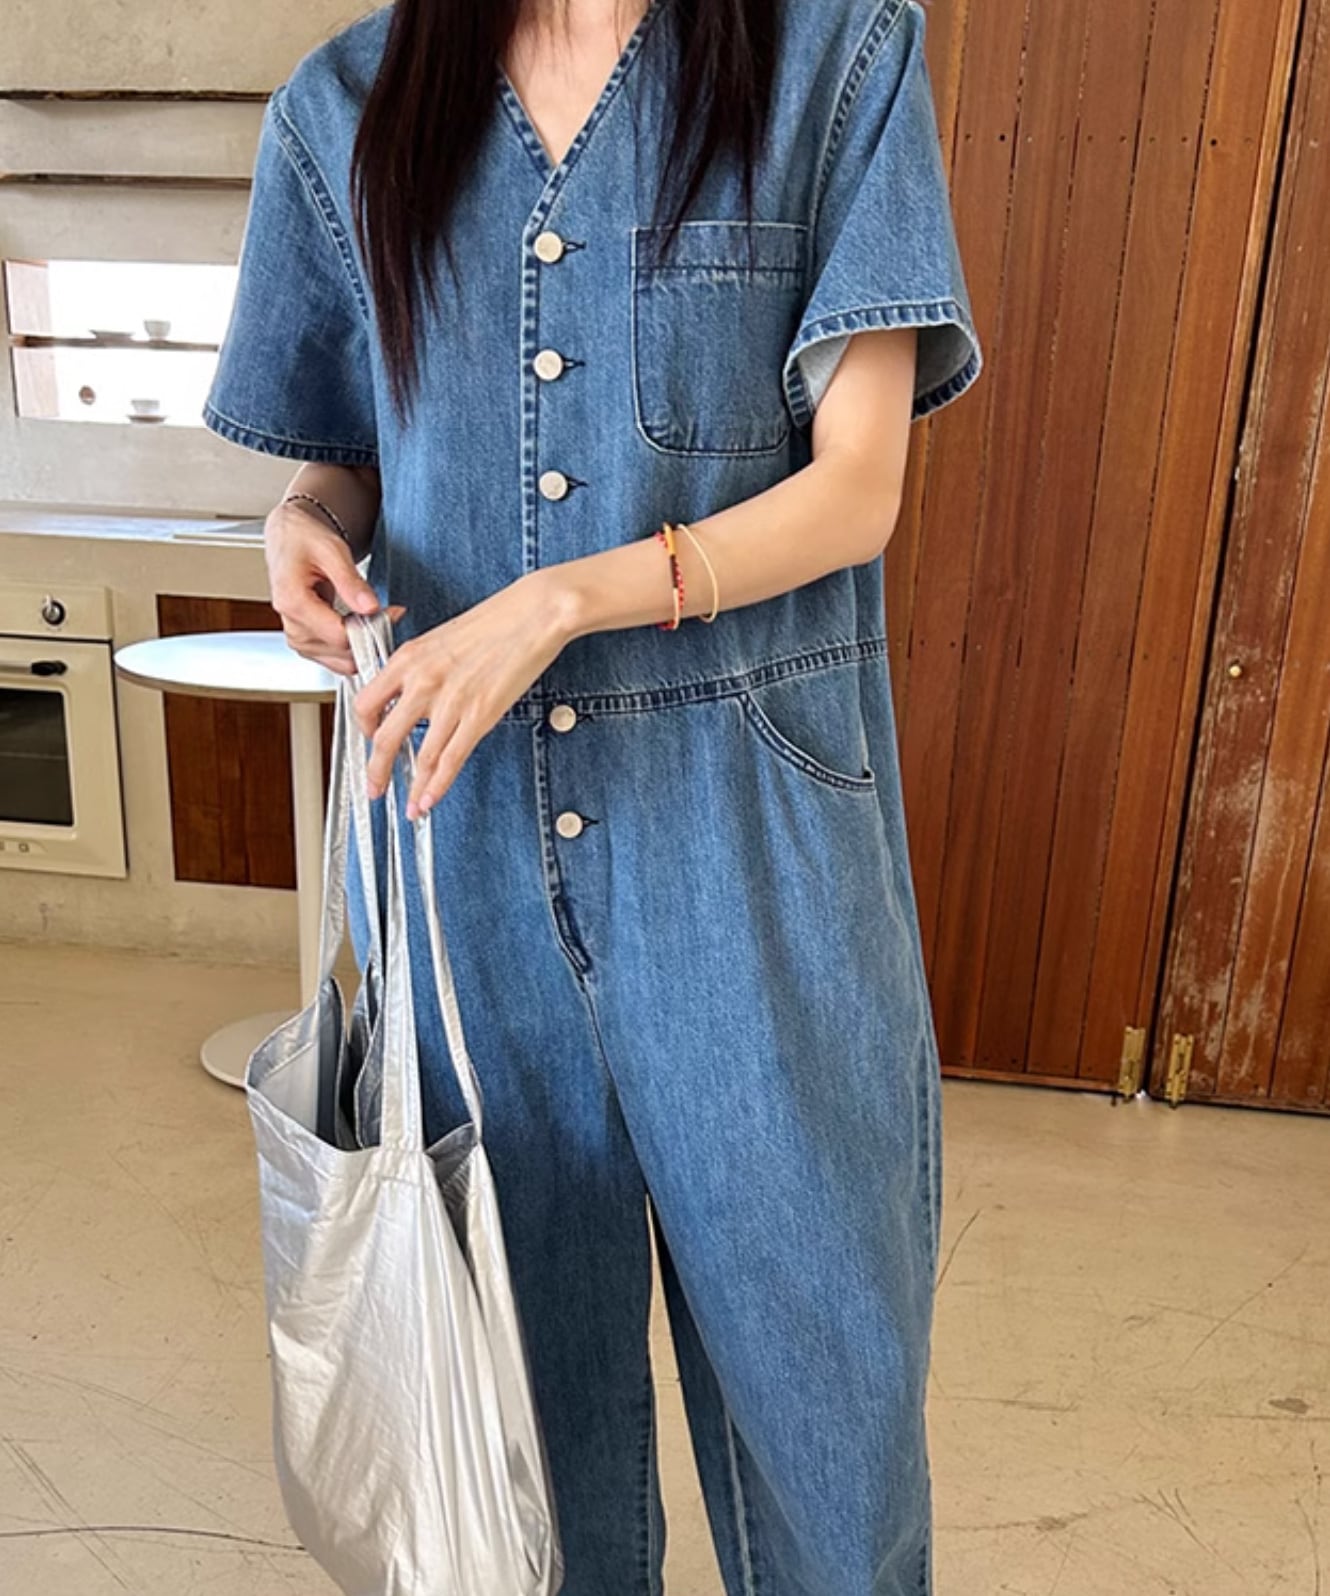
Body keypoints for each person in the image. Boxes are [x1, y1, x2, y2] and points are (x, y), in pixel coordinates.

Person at [202, 0, 982, 1591]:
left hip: (746, 826)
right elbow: (344, 449)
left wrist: (562, 600)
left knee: (822, 1413)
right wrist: (303, 521)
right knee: (516, 1426)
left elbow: (856, 489)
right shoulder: (347, 104)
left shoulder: (833, 57)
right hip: (457, 830)